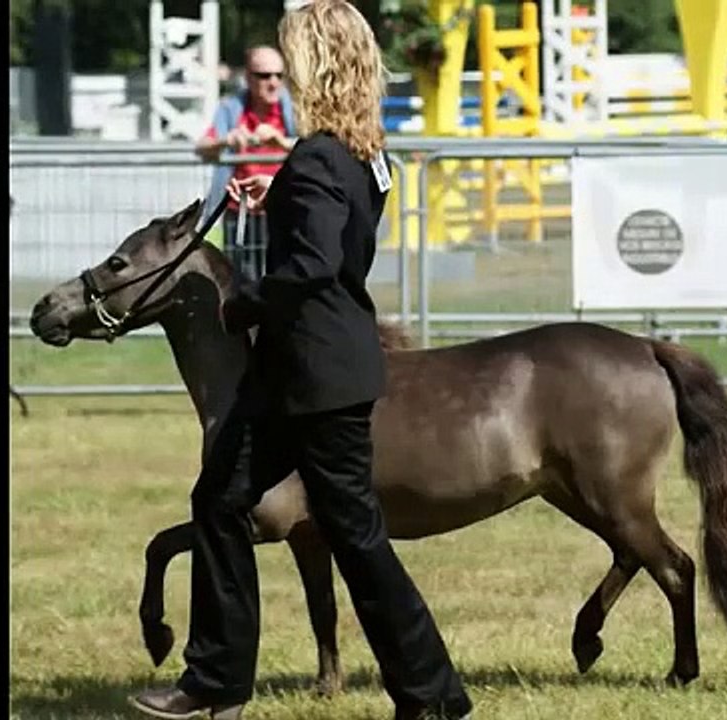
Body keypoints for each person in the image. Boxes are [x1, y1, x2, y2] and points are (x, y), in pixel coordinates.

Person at [129, 2, 473, 720]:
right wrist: (276, 197)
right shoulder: (363, 153)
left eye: (292, 61)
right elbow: (335, 227)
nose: (284, 77)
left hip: (318, 377)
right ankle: (215, 680)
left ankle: (432, 694)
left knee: (356, 537)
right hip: (305, 371)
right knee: (219, 500)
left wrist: (242, 304)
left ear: (317, 66)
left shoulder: (318, 156)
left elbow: (313, 264)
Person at [196, 45, 298, 282]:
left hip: (284, 206)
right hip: (240, 209)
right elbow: (202, 147)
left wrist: (281, 142)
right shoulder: (231, 109)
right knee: (241, 281)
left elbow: (319, 148)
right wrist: (226, 140)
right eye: (264, 76)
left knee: (285, 278)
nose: (273, 83)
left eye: (279, 75)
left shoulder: (293, 109)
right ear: (248, 78)